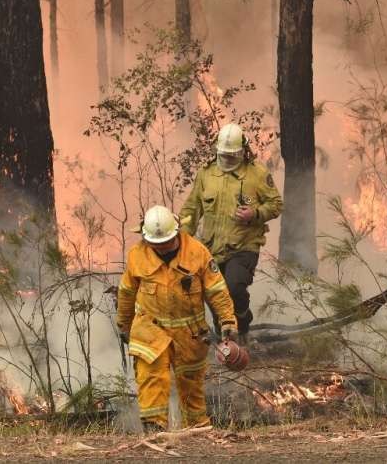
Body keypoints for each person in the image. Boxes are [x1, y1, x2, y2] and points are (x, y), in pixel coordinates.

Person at [117, 205, 237, 432]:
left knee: (191, 385)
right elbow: (126, 292)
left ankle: (197, 431)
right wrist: (124, 324)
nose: (161, 248)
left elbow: (217, 290)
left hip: (190, 333)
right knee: (152, 378)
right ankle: (155, 431)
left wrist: (228, 321)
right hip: (150, 329)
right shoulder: (137, 256)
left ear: (178, 232)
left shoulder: (197, 252)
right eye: (156, 244)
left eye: (166, 243)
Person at [179, 123, 283, 342]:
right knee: (214, 296)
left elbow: (275, 204)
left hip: (244, 245)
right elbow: (191, 209)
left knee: (234, 287)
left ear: (243, 151)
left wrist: (254, 213)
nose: (227, 161)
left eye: (232, 156)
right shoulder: (206, 174)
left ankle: (243, 322)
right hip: (211, 249)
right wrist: (183, 239)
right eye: (223, 155)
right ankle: (226, 344)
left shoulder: (257, 174)